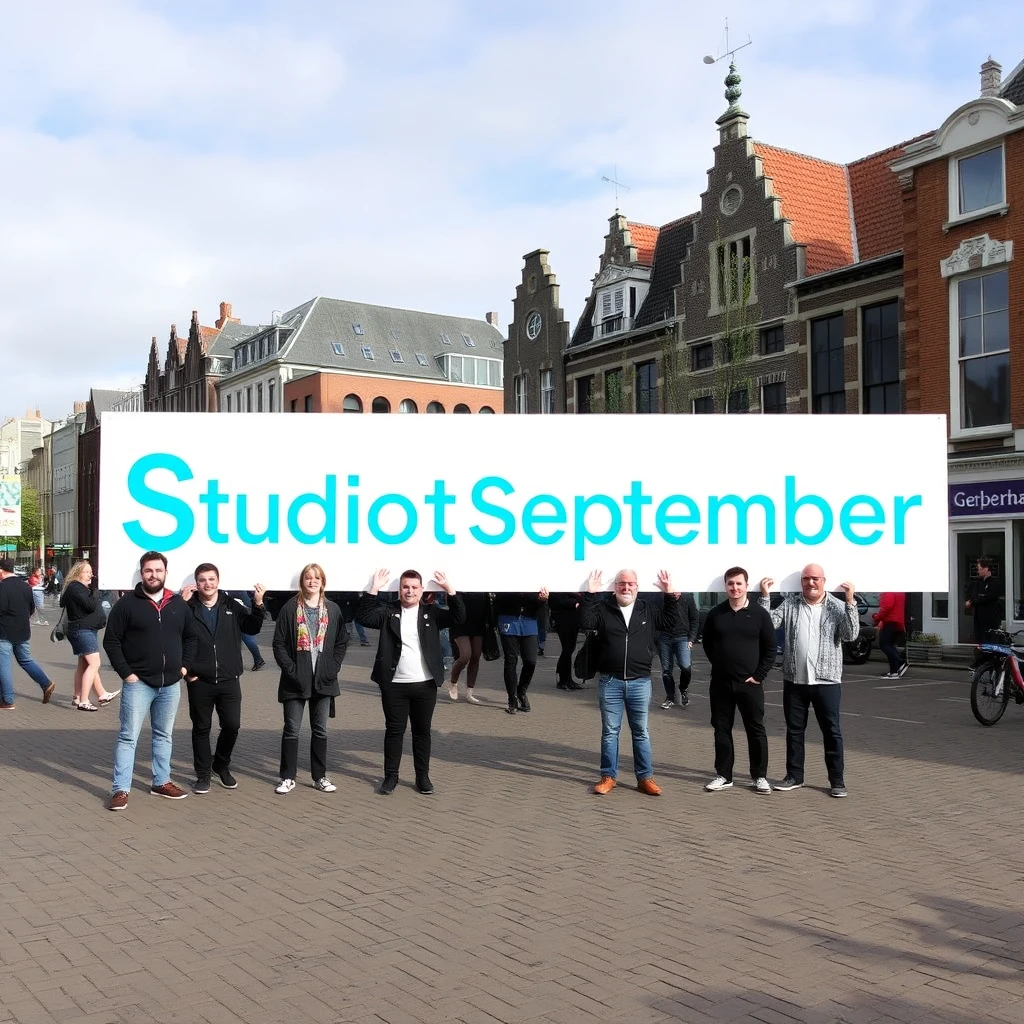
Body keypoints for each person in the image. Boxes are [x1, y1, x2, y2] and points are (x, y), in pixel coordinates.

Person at [103, 551, 198, 811]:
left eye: (158, 570)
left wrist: (183, 668)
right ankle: (120, 789)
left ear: (166, 573)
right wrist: (127, 674)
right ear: (141, 573)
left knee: (163, 735)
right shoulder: (126, 605)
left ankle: (161, 781)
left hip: (170, 684)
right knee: (128, 737)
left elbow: (191, 637)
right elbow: (111, 641)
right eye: (148, 571)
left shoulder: (178, 604)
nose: (153, 575)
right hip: (139, 684)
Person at [358, 569, 465, 794]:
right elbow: (364, 617)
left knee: (422, 732)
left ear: (422, 590)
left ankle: (422, 778)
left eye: (414, 587)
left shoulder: (431, 613)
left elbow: (459, 617)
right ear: (400, 589)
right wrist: (374, 588)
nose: (410, 591)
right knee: (394, 731)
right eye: (405, 587)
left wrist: (450, 590)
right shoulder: (389, 611)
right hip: (394, 684)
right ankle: (391, 777)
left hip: (424, 684)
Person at [759, 564, 859, 798]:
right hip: (795, 680)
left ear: (824, 580)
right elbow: (768, 624)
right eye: (806, 579)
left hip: (827, 681)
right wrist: (765, 598)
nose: (810, 583)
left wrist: (850, 602)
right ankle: (795, 776)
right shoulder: (791, 604)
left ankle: (837, 780)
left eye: (815, 578)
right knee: (795, 731)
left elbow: (851, 634)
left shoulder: (836, 606)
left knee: (832, 731)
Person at [580, 568, 680, 797]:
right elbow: (585, 621)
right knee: (610, 732)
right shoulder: (604, 608)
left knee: (641, 732)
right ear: (615, 587)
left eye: (631, 584)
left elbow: (671, 623)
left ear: (637, 586)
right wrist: (590, 594)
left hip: (640, 682)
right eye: (621, 584)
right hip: (610, 681)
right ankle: (608, 777)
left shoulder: (647, 609)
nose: (626, 588)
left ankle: (645, 778)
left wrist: (670, 595)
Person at [182, 565, 267, 794]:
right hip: (200, 680)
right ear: (196, 583)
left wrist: (258, 604)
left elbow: (252, 627)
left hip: (229, 679)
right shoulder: (188, 608)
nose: (207, 584)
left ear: (218, 581)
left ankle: (220, 764)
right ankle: (202, 775)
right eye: (202, 580)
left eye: (211, 579)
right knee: (201, 728)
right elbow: (175, 636)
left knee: (232, 726)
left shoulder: (232, 605)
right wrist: (188, 673)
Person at [271, 563, 348, 795]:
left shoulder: (333, 610)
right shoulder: (289, 609)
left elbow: (342, 641)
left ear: (322, 582)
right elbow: (279, 644)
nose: (312, 581)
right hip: (295, 680)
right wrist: (291, 669)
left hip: (324, 680)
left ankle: (319, 776)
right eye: (308, 578)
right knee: (291, 729)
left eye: (317, 578)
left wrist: (333, 667)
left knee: (320, 730)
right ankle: (287, 777)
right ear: (302, 582)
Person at [702, 567, 776, 796]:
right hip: (721, 684)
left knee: (755, 729)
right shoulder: (715, 614)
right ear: (725, 586)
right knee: (721, 729)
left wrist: (759, 675)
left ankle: (760, 776)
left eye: (739, 584)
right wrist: (721, 664)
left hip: (750, 684)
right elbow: (707, 644)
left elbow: (770, 648)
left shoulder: (759, 614)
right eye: (730, 584)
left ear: (746, 585)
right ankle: (724, 775)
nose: (734, 588)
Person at [59, 560, 119, 711]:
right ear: (78, 573)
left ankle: (86, 695)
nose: (90, 575)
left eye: (91, 571)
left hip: (83, 629)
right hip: (82, 630)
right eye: (87, 572)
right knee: (94, 664)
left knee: (84, 664)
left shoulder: (75, 588)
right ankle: (84, 701)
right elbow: (90, 605)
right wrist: (93, 593)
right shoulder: (76, 588)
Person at [0, 557, 57, 709]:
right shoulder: (25, 587)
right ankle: (46, 683)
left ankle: (7, 699)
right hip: (23, 631)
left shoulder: (2, 587)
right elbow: (31, 608)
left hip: (4, 632)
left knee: (3, 665)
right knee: (25, 660)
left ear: (1, 571)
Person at [493, 590, 548, 714]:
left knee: (530, 661)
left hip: (529, 619)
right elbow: (499, 595)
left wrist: (541, 600)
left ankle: (521, 691)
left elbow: (538, 602)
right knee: (511, 659)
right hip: (508, 616)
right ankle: (512, 698)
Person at [658, 591, 699, 709]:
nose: (675, 593)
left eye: (677, 591)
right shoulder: (662, 599)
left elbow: (694, 618)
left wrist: (691, 638)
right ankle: (670, 697)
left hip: (683, 637)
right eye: (672, 591)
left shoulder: (688, 597)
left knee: (686, 666)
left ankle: (683, 688)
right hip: (664, 637)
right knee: (666, 670)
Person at [446, 591, 489, 703]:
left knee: (475, 656)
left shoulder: (482, 587)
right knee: (465, 655)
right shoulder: (459, 586)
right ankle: (453, 682)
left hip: (478, 624)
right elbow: (451, 600)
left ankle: (470, 692)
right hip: (460, 624)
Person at [549, 592, 585, 690]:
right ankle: (562, 679)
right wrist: (576, 601)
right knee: (567, 648)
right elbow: (556, 600)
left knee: (569, 648)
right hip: (563, 618)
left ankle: (567, 679)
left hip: (573, 617)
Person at [966, 557, 1002, 648]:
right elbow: (974, 596)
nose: (978, 571)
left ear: (985, 569)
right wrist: (973, 600)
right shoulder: (978, 582)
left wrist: (975, 600)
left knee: (990, 642)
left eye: (979, 569)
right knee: (980, 641)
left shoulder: (994, 583)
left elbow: (988, 597)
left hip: (990, 619)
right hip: (979, 619)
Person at [873, 592, 907, 679]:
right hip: (897, 621)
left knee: (884, 644)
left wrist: (877, 617)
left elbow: (887, 606)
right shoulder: (898, 591)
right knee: (890, 645)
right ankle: (894, 671)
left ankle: (900, 663)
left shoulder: (888, 591)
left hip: (890, 620)